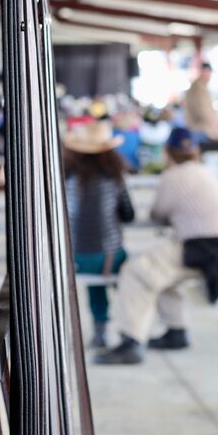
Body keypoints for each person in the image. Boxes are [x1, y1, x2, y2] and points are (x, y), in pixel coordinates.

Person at [96, 128, 218, 365]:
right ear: (195, 151)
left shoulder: (173, 176)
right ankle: (176, 331)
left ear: (167, 152)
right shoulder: (207, 172)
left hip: (202, 248)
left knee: (136, 270)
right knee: (160, 272)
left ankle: (131, 341)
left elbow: (159, 213)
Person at [63, 121, 135, 349]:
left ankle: (100, 331)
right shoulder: (114, 178)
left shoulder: (65, 179)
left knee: (96, 286)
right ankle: (128, 329)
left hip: (76, 259)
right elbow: (128, 214)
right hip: (109, 257)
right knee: (127, 278)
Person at [183, 62, 218, 142]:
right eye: (208, 72)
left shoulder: (199, 86)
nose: (209, 76)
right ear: (203, 72)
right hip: (200, 128)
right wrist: (215, 126)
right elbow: (203, 110)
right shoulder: (199, 87)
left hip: (198, 127)